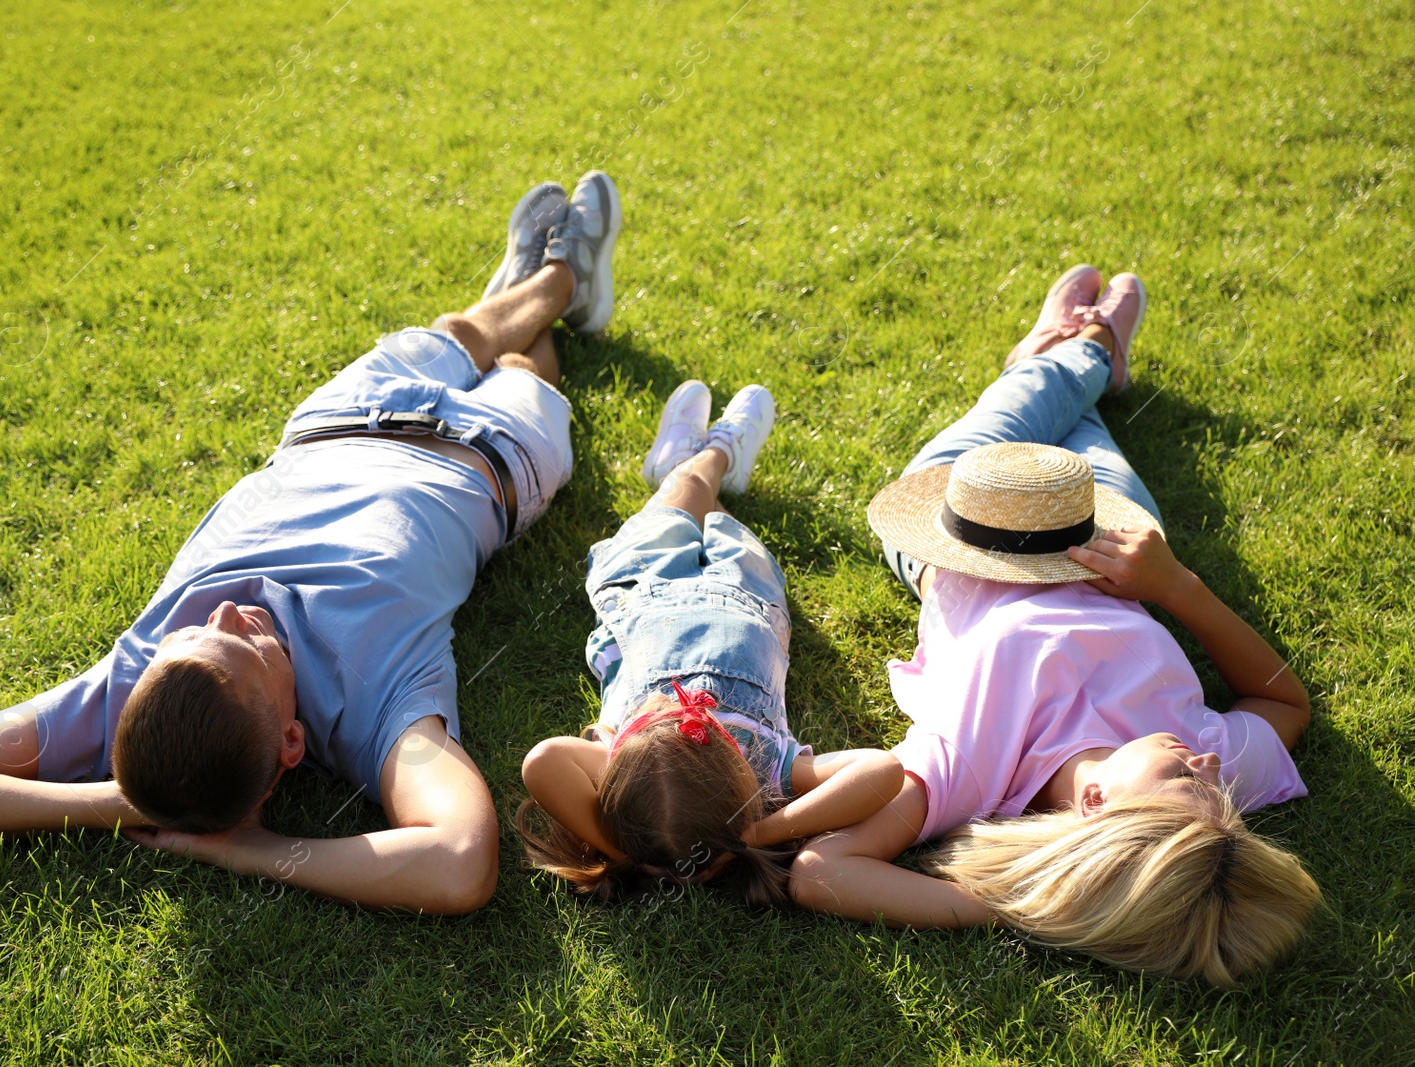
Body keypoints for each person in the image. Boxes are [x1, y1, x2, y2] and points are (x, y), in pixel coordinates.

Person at [0, 172, 624, 915]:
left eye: (194, 637)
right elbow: (459, 861)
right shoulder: (375, 700)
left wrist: (111, 800)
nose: (223, 615)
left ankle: (532, 290)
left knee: (461, 334)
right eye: (246, 645)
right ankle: (558, 277)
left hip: (338, 421)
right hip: (488, 452)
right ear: (292, 740)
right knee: (524, 365)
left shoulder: (138, 679)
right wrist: (244, 849)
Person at [787, 265, 1321, 985]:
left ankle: (1082, 347)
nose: (1213, 768)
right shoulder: (1202, 757)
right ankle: (1079, 358)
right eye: (1218, 786)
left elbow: (821, 872)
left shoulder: (973, 767)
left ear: (1098, 805)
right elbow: (1287, 702)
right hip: (1113, 535)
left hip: (962, 523)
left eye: (1188, 778)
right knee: (1069, 424)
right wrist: (1177, 586)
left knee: (1033, 403)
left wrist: (1022, 906)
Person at [517, 380, 904, 904]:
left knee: (687, 492)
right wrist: (764, 831)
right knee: (718, 515)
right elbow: (885, 771)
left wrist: (621, 849)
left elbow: (541, 762)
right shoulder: (770, 767)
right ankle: (710, 456)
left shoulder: (627, 758)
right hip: (747, 593)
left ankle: (708, 455)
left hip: (643, 588)